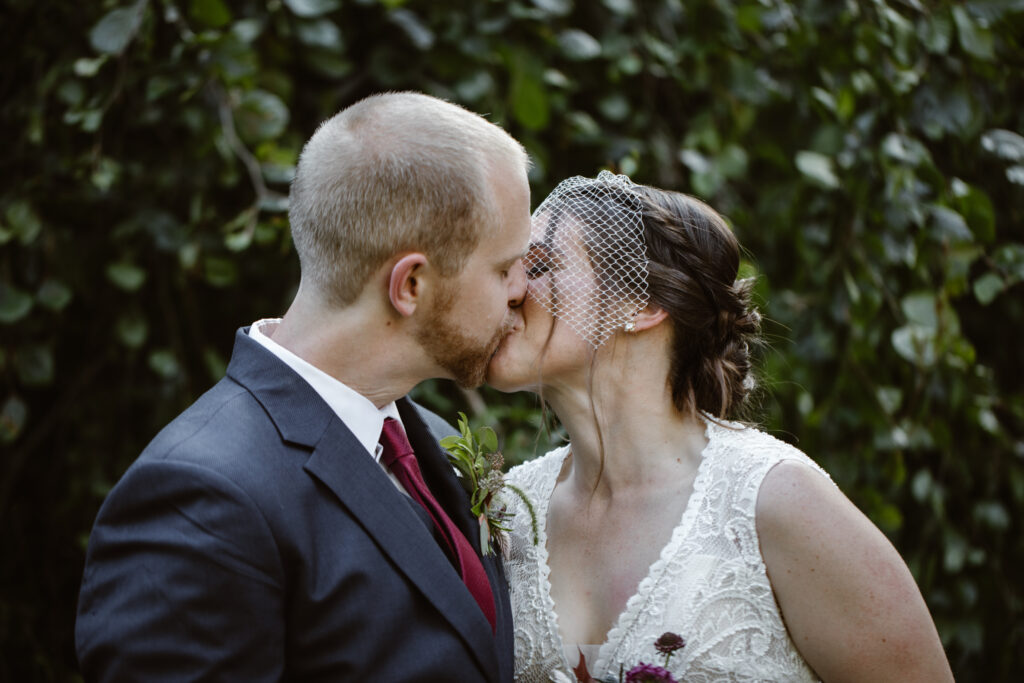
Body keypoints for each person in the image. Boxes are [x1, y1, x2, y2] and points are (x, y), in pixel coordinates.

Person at [75, 92, 531, 682]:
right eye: (503, 269)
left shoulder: (440, 446)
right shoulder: (203, 499)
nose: (522, 290)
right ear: (411, 284)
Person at [488, 171, 954, 682]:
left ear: (643, 305)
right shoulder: (506, 514)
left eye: (538, 265)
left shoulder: (775, 503)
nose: (507, 288)